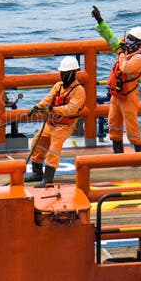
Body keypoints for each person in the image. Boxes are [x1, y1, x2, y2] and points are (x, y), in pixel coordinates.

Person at [91, 5, 141, 152]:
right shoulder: (124, 50)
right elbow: (110, 38)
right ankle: (118, 152)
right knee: (113, 123)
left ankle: (139, 153)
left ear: (139, 42)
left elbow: (125, 68)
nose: (128, 41)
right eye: (128, 38)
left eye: (132, 39)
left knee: (131, 126)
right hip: (117, 94)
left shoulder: (138, 58)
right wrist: (100, 21)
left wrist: (121, 53)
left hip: (129, 96)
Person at [25, 56, 86, 187]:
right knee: (37, 142)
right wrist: (37, 107)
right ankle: (37, 173)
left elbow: (71, 109)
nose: (63, 75)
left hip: (64, 126)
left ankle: (48, 179)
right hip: (52, 123)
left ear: (73, 73)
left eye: (65, 73)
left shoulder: (79, 91)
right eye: (62, 73)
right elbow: (47, 99)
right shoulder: (58, 86)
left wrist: (52, 110)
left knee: (54, 150)